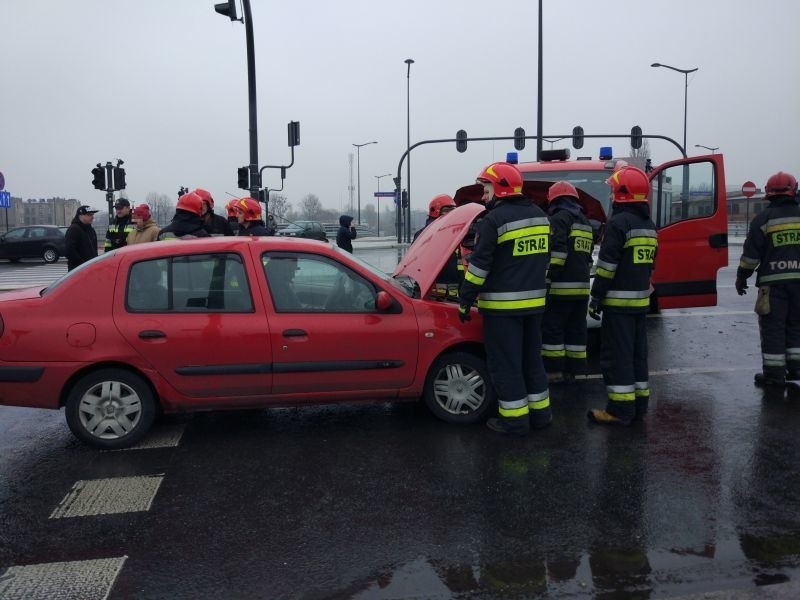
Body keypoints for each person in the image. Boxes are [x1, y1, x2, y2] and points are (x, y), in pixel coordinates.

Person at [458, 162, 552, 435]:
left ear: (499, 188)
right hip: (534, 307)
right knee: (532, 363)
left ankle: (515, 421)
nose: (483, 196)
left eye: (486, 189)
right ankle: (540, 416)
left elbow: (478, 268)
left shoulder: (493, 221)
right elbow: (543, 262)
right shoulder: (540, 216)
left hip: (502, 310)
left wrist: (465, 299)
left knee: (506, 365)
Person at [587, 166, 658, 426]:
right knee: (637, 357)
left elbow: (607, 267)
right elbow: (651, 264)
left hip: (618, 304)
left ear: (621, 193)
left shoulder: (619, 223)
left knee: (617, 358)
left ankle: (619, 410)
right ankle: (639, 406)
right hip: (640, 303)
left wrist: (596, 296)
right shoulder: (647, 224)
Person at [736, 171, 800, 386]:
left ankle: (774, 375)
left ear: (770, 194)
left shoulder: (763, 219)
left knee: (773, 328)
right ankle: (796, 369)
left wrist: (742, 277)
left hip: (773, 285)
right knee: (796, 325)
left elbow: (751, 256)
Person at [542, 181, 594, 383]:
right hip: (581, 288)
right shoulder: (585, 222)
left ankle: (554, 372)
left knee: (553, 329)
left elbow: (557, 254)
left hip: (560, 288)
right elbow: (587, 255)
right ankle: (575, 369)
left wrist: (547, 278)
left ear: (554, 200)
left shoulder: (558, 219)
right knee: (576, 329)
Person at [64, 205, 99, 270]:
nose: (92, 217)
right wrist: (82, 264)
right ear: (80, 215)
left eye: (92, 214)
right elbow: (69, 251)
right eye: (89, 215)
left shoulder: (91, 229)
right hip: (78, 270)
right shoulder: (74, 229)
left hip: (91, 268)